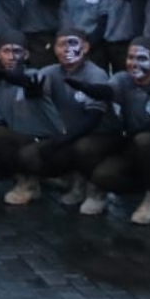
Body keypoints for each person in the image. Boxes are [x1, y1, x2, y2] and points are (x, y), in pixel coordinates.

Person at [73, 38, 150, 224]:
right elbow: (108, 91)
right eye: (130, 57)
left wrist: (127, 140)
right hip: (137, 147)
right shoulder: (122, 78)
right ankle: (141, 186)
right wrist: (89, 89)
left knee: (145, 140)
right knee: (103, 175)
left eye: (141, 58)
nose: (134, 63)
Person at [0, 31, 65, 206]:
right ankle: (24, 175)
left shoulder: (36, 75)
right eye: (6, 51)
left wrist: (11, 79)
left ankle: (28, 182)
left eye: (17, 52)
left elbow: (30, 85)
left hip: (48, 143)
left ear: (26, 55)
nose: (12, 57)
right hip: (19, 140)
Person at [41, 29, 122, 209]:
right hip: (73, 133)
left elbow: (93, 118)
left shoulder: (96, 74)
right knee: (33, 153)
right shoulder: (50, 72)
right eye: (62, 45)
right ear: (55, 49)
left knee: (82, 147)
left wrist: (61, 140)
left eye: (73, 43)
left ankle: (96, 188)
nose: (67, 49)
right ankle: (74, 180)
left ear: (85, 48)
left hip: (102, 134)